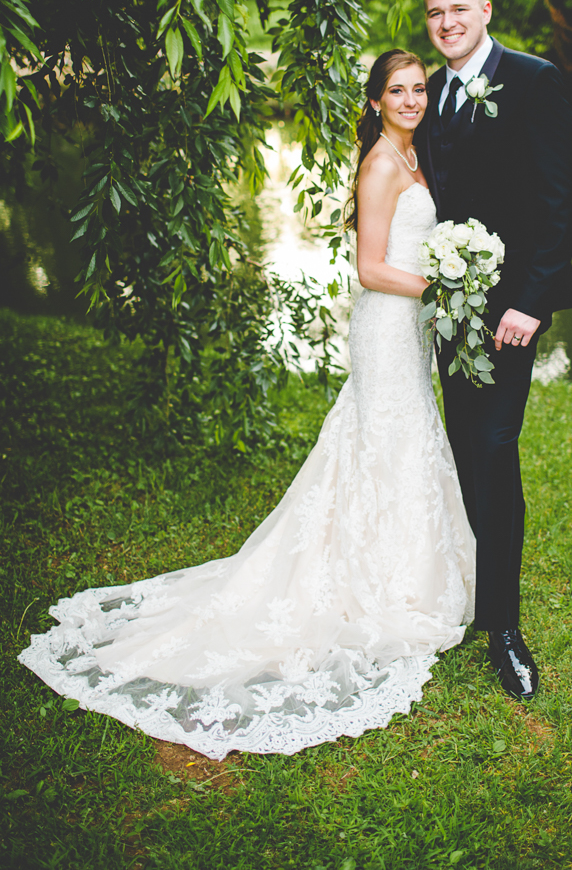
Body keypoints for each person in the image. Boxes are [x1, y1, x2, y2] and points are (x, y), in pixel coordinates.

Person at [17, 50, 477, 761]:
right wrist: (442, 287)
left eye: (419, 89)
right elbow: (370, 267)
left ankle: (404, 565)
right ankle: (378, 578)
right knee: (386, 433)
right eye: (398, 90)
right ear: (376, 99)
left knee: (401, 435)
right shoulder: (382, 165)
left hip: (407, 327)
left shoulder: (414, 155)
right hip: (388, 323)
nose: (412, 99)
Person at [415, 0, 572, 700]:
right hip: (448, 307)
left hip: (510, 310)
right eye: (434, 14)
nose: (447, 22)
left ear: (485, 9)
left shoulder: (533, 79)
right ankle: (471, 593)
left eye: (459, 9)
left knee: (493, 447)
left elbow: (560, 197)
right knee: (460, 447)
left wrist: (532, 302)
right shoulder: (427, 89)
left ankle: (504, 628)